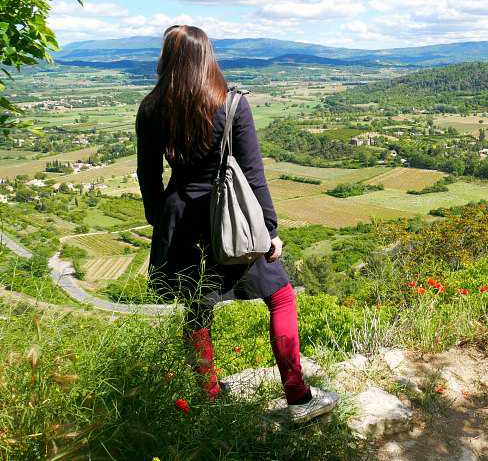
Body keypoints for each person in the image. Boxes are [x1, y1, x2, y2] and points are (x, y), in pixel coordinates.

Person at [136, 25, 338, 422]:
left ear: (167, 59)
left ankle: (210, 398)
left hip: (181, 222)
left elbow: (148, 176)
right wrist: (270, 230)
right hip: (232, 219)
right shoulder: (230, 105)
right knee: (280, 297)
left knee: (197, 310)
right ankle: (298, 397)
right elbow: (252, 173)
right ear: (207, 58)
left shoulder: (151, 109)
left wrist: (162, 222)